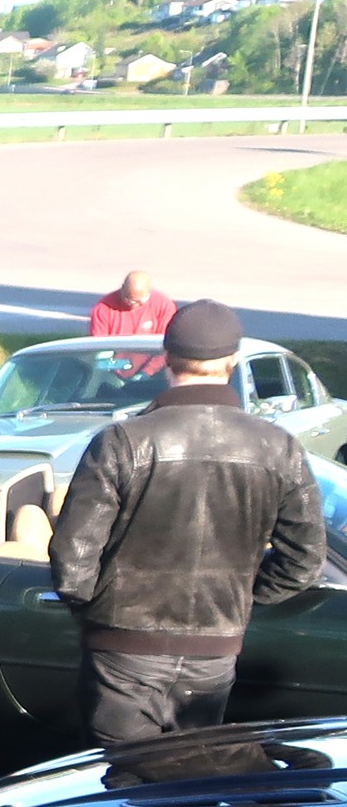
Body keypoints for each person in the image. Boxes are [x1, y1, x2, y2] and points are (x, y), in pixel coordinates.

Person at [47, 298, 323, 744]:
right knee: (190, 773)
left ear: (166, 359)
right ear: (232, 362)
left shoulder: (122, 441)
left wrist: (98, 613)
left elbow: (73, 559)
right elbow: (304, 560)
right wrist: (236, 597)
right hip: (213, 651)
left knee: (124, 774)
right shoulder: (278, 446)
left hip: (123, 648)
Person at [88, 270, 175, 340]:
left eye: (140, 301)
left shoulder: (164, 306)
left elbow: (163, 341)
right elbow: (100, 343)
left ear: (149, 292)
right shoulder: (103, 309)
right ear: (122, 288)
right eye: (128, 299)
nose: (133, 305)